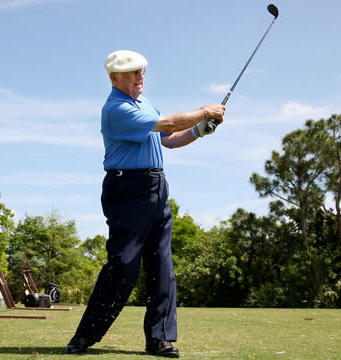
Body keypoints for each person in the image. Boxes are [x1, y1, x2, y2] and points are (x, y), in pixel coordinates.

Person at [66, 50, 225, 358]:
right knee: (124, 264)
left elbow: (168, 138)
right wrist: (205, 110)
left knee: (162, 265)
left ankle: (159, 339)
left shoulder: (146, 104)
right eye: (132, 73)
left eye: (142, 72)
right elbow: (166, 124)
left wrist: (198, 130)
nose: (140, 77)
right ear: (114, 78)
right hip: (127, 188)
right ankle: (85, 335)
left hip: (156, 185)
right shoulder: (116, 109)